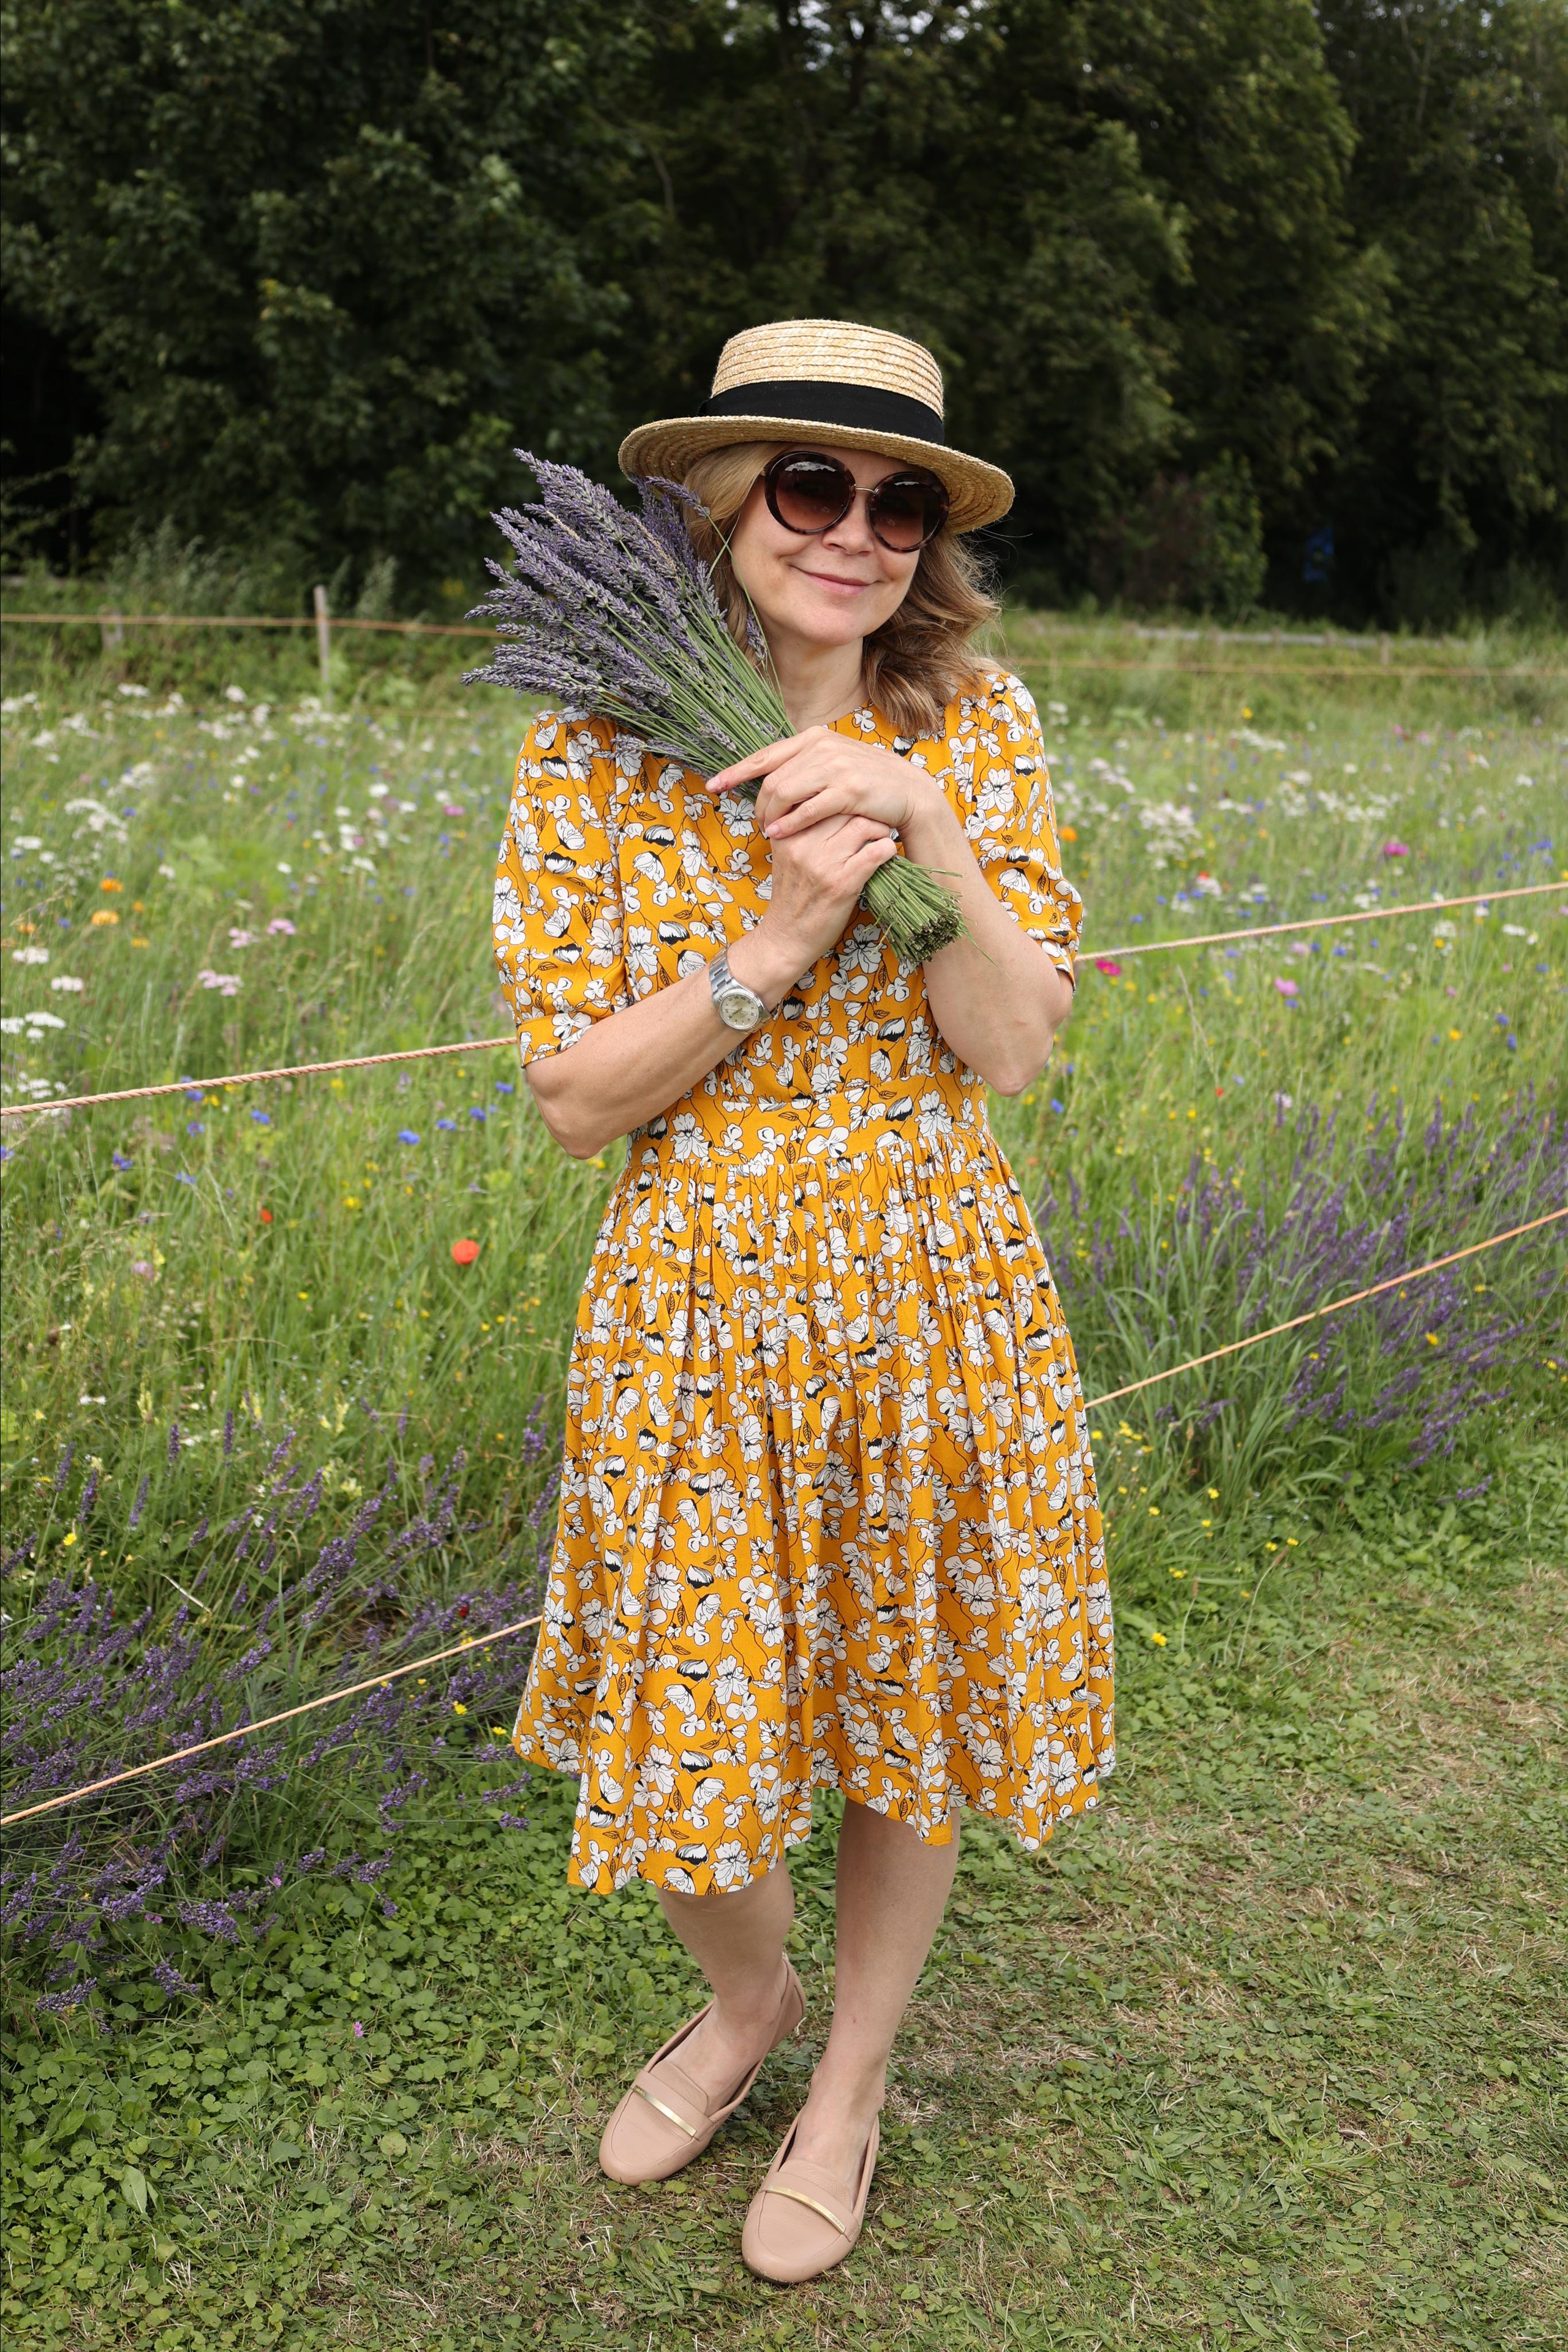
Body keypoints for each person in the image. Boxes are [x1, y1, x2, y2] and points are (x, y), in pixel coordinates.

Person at [492, 318, 1112, 2285]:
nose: (853, 529)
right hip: (695, 1298)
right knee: (690, 1762)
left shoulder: (984, 727)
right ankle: (743, 2002)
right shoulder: (594, 748)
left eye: (897, 498)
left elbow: (1014, 1052)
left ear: (930, 539)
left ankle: (842, 2090)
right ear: (721, 505)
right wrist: (774, 938)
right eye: (811, 486)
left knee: (903, 1704)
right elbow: (582, 1098)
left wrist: (923, 831)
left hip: (936, 1287)